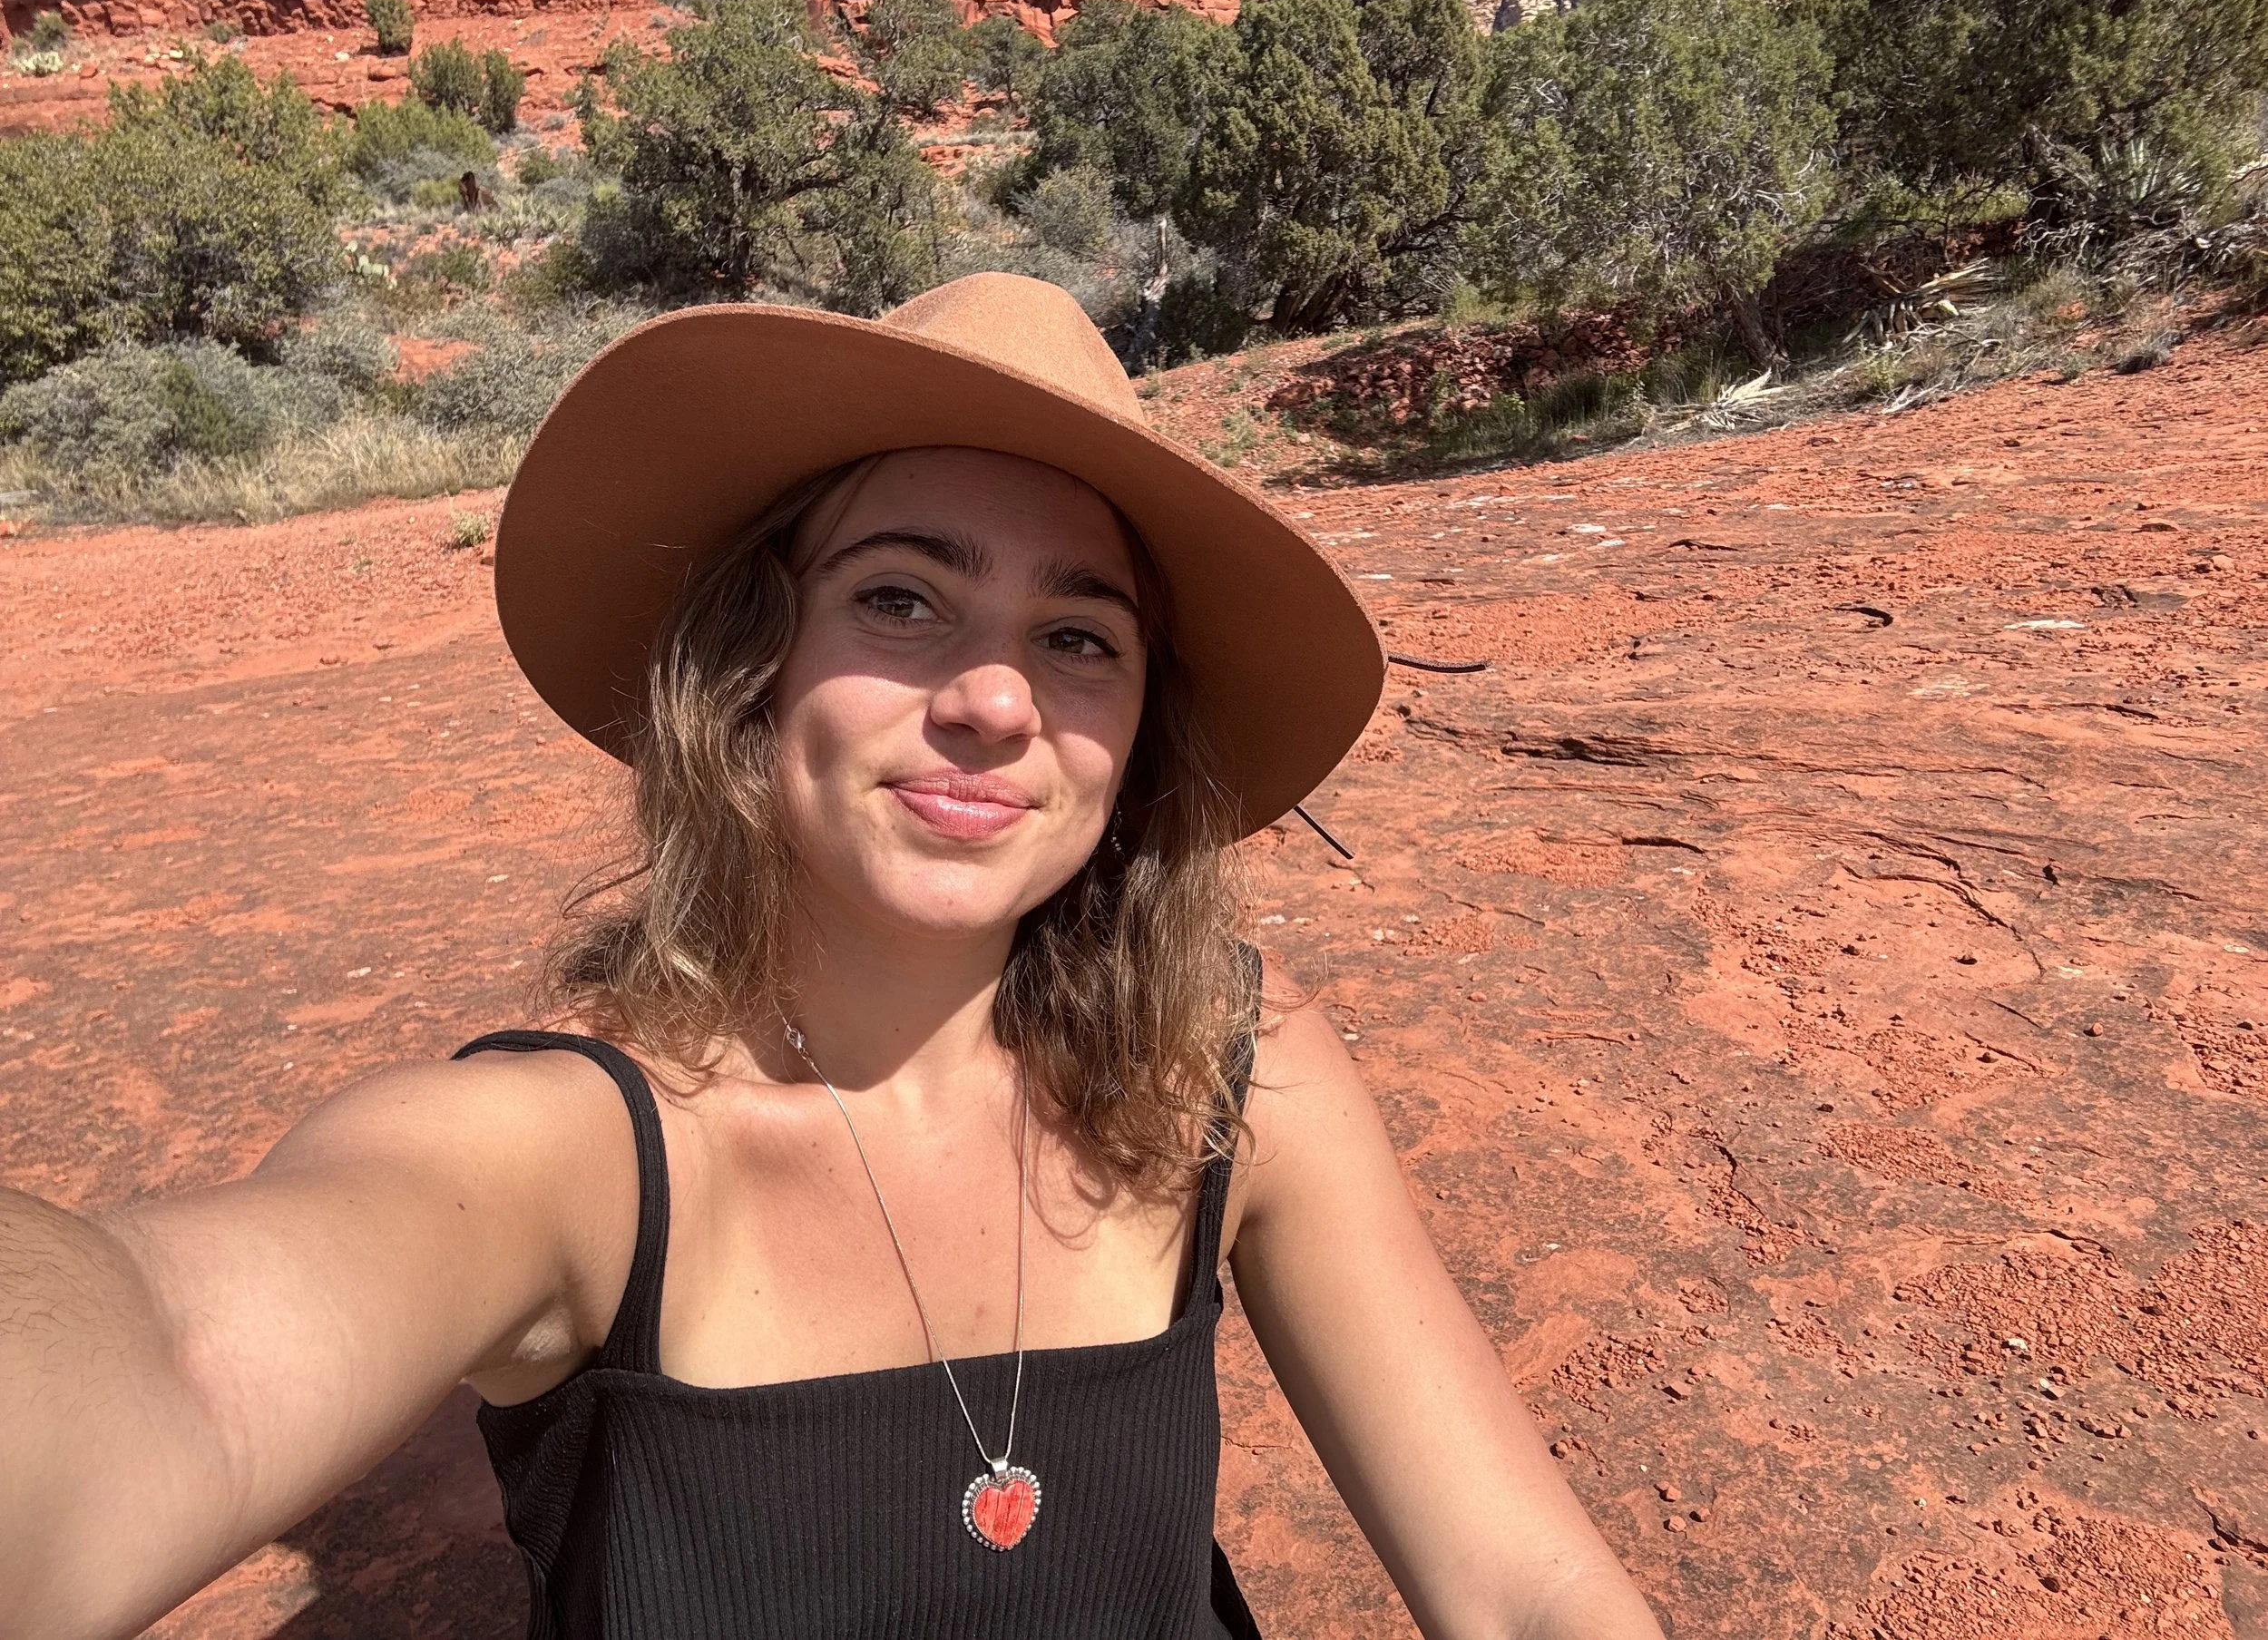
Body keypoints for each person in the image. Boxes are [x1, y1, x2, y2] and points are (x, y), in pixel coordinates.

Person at [0, 273, 1667, 1640]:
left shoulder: (1226, 1068)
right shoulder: (576, 1159)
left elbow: (1523, 1592)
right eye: (901, 600)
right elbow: (172, 1350)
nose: (997, 700)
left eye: (1078, 637)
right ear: (752, 662)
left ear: (1136, 735)